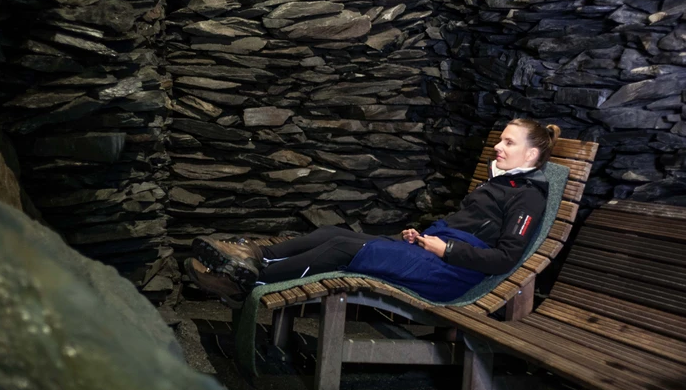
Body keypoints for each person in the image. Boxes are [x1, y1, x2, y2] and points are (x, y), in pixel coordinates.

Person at [185, 119, 561, 308]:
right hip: (433, 255)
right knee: (332, 233)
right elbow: (469, 225)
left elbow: (504, 257)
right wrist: (423, 238)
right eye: (500, 139)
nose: (497, 146)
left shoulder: (527, 197)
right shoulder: (500, 183)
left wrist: (446, 249)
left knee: (343, 250)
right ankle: (253, 254)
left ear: (530, 155)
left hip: (451, 274)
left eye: (508, 142)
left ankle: (248, 280)